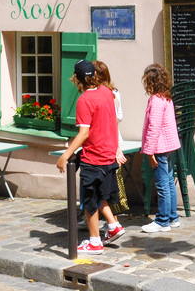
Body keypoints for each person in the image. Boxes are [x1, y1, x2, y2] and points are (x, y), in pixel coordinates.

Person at [56, 59, 125, 254]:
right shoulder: (108, 93)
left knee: (89, 201)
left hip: (93, 158)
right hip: (108, 156)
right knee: (100, 196)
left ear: (77, 79)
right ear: (94, 76)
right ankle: (113, 226)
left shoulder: (85, 100)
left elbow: (84, 133)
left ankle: (94, 242)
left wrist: (66, 155)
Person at [140, 63, 181, 232]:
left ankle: (163, 220)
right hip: (169, 146)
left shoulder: (156, 100)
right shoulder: (166, 98)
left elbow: (154, 128)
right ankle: (173, 217)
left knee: (163, 185)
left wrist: (149, 152)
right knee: (169, 182)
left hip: (160, 148)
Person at [95, 61, 129, 214]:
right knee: (110, 182)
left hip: (109, 142)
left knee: (107, 183)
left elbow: (115, 119)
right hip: (113, 141)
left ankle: (111, 218)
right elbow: (119, 117)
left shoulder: (108, 94)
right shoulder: (114, 92)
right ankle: (106, 217)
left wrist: (116, 148)